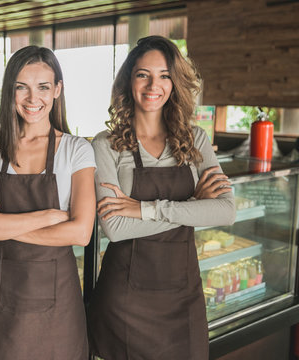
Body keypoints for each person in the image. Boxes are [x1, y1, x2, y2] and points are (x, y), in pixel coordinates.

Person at [87, 35, 236, 360]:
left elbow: (225, 211)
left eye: (164, 75)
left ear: (175, 82)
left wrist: (145, 209)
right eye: (143, 74)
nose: (153, 84)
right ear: (129, 79)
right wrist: (194, 207)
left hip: (183, 296)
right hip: (125, 300)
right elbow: (116, 228)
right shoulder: (107, 145)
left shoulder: (195, 139)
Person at [0, 45, 96, 359]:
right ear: (10, 90)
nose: (32, 98)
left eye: (43, 87)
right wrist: (50, 215)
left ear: (57, 91)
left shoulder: (77, 150)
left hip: (59, 305)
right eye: (21, 87)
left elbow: (80, 233)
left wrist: (3, 225)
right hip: (2, 299)